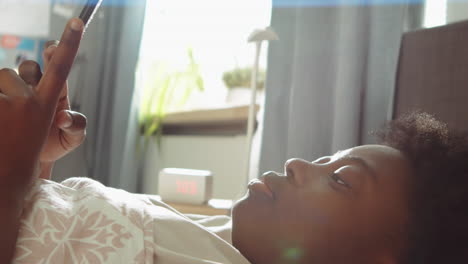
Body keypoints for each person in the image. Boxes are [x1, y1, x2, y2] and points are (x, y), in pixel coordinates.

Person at [1, 18, 468, 264]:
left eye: (341, 181)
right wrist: (38, 166)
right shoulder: (205, 241)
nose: (297, 164)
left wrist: (12, 171)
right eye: (326, 159)